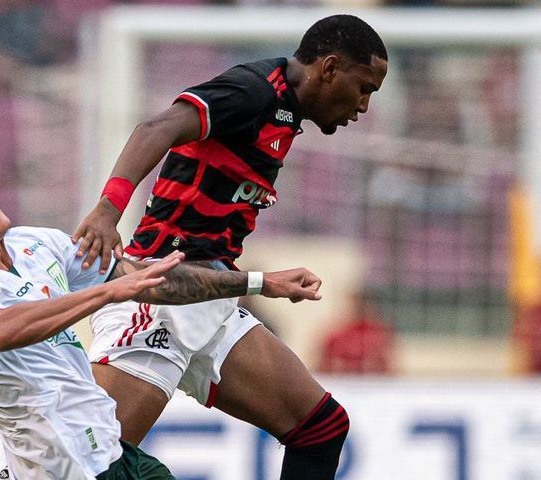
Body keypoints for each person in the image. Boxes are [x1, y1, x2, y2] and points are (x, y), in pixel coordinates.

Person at [72, 14, 388, 479]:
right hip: (161, 296)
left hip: (210, 297)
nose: (363, 105)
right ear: (329, 68)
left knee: (320, 428)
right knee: (80, 465)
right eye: (364, 88)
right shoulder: (254, 90)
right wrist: (107, 209)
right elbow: (155, 128)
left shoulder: (284, 109)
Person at [0, 161, 324, 480]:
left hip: (107, 449)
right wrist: (106, 292)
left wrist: (258, 282)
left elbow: (146, 282)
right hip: (62, 463)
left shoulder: (34, 245)